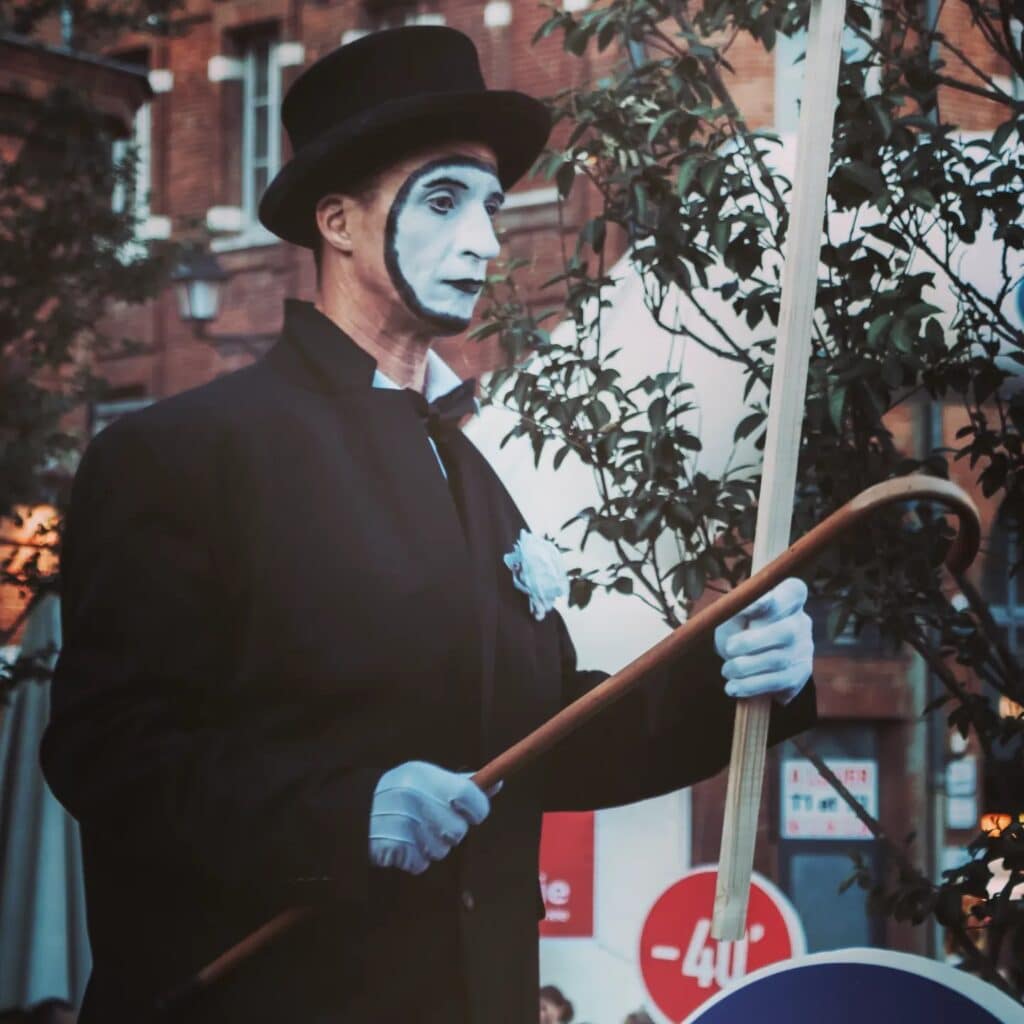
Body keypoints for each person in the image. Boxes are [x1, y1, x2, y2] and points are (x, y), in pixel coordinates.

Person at [41, 26, 816, 1024]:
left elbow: (541, 746)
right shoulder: (184, 454)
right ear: (340, 222)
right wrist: (340, 813)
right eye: (444, 201)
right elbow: (108, 753)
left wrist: (736, 682)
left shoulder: (473, 477)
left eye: (491, 208)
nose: (486, 243)